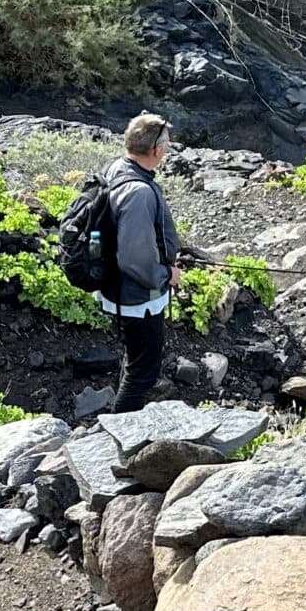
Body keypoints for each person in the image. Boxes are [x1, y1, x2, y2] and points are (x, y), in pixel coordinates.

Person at [100, 110, 200, 414]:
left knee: (135, 362)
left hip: (117, 289)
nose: (167, 151)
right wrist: (165, 274)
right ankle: (122, 435)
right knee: (144, 371)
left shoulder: (116, 168)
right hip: (137, 296)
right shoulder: (140, 192)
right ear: (156, 150)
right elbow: (134, 259)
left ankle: (121, 427)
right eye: (166, 146)